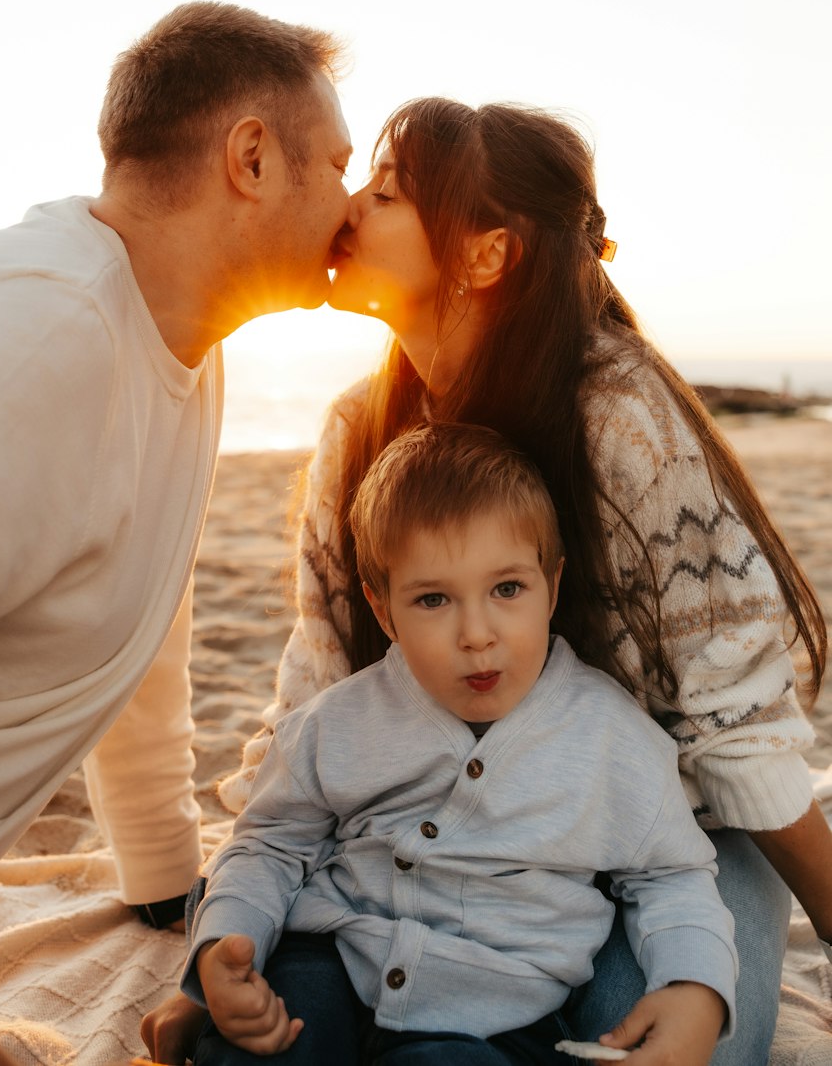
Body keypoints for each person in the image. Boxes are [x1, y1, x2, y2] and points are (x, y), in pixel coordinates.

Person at [143, 97, 830, 1066]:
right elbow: (318, 704)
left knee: (682, 1046)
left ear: (484, 255)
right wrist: (204, 968)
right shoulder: (355, 434)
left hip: (652, 832)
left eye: (382, 194)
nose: (347, 208)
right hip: (427, 842)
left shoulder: (617, 416)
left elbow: (738, 728)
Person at [0, 0, 354, 1066]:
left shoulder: (178, 339)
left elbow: (140, 612)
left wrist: (164, 870)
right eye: (339, 165)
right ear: (252, 157)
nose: (353, 203)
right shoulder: (31, 341)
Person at [182, 423, 736, 1066]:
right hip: (331, 957)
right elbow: (268, 845)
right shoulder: (334, 723)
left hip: (495, 1005)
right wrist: (225, 943)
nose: (476, 634)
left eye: (507, 589)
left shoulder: (612, 737)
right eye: (433, 599)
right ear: (383, 609)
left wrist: (696, 987)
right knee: (263, 1051)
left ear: (551, 588)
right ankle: (201, 1024)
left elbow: (672, 876)